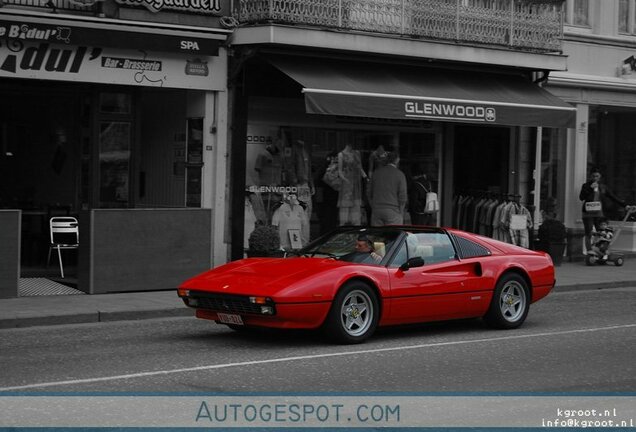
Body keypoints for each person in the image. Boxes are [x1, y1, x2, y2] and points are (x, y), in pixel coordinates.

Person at [579, 168, 625, 252]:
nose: (595, 178)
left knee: (601, 231)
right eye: (593, 176)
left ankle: (600, 250)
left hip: (598, 213)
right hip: (587, 213)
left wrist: (625, 205)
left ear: (600, 177)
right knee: (589, 231)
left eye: (597, 176)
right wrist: (590, 188)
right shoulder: (585, 185)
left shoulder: (603, 187)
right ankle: (590, 251)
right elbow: (581, 197)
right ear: (590, 177)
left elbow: (613, 197)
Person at [369, 151, 407, 226]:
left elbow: (369, 192)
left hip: (377, 210)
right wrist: (401, 213)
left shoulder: (376, 173)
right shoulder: (400, 174)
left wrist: (373, 206)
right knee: (393, 236)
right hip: (393, 210)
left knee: (377, 236)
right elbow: (402, 197)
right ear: (397, 160)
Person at [337, 143, 367, 225]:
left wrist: (365, 176)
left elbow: (360, 167)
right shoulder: (341, 154)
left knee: (356, 210)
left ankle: (355, 226)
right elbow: (339, 171)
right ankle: (343, 227)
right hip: (346, 184)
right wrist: (345, 180)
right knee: (345, 209)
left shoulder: (357, 153)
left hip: (356, 184)